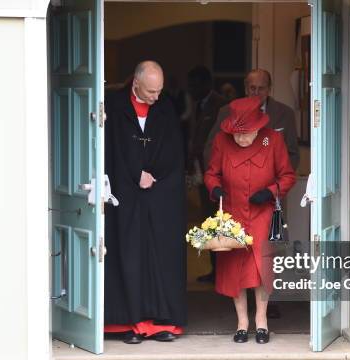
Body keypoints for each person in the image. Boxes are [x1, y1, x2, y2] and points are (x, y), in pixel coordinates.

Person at [103, 61, 187, 344]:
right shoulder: (114, 106)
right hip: (124, 196)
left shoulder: (165, 107)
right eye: (151, 91)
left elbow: (175, 150)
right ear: (135, 84)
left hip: (159, 197)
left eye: (160, 91)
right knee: (127, 256)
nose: (155, 97)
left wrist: (155, 175)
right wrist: (133, 175)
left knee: (160, 258)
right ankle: (129, 323)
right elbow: (109, 150)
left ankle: (161, 322)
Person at [204, 96, 296, 344]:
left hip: (262, 214)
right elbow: (211, 173)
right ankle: (242, 322)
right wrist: (215, 188)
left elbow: (287, 176)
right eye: (237, 134)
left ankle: (262, 321)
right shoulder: (223, 141)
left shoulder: (271, 139)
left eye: (246, 134)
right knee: (236, 269)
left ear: (258, 128)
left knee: (261, 268)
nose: (241, 139)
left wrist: (271, 190)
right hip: (233, 214)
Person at [204, 69, 300, 170]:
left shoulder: (285, 114)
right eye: (253, 88)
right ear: (246, 89)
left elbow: (292, 154)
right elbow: (211, 148)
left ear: (269, 90)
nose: (256, 93)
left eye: (261, 88)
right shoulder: (227, 112)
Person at [186, 66, 228, 283]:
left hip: (217, 175)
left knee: (219, 221)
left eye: (193, 84)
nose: (189, 89)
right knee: (209, 222)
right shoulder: (197, 105)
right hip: (202, 171)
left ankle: (223, 272)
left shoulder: (220, 104)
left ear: (204, 84)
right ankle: (215, 270)